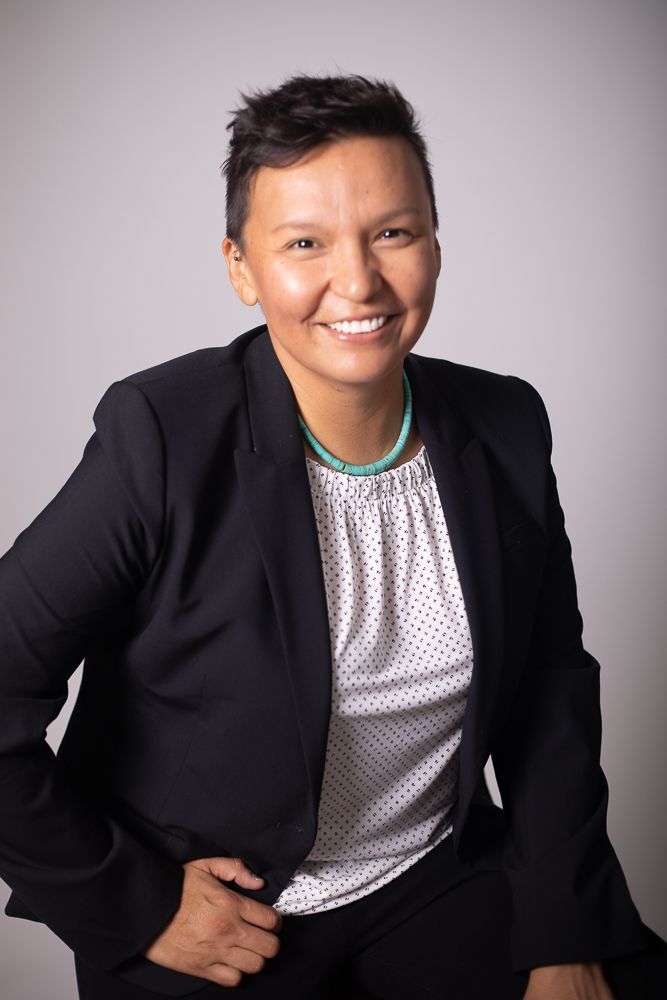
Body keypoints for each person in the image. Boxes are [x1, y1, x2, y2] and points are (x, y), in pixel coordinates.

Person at [0, 74, 664, 1000]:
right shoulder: (162, 438)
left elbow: (549, 687)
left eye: (392, 233)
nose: (357, 282)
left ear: (435, 243)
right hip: (223, 915)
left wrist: (563, 933)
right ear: (241, 267)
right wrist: (132, 902)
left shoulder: (505, 424)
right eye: (304, 243)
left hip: (431, 877)